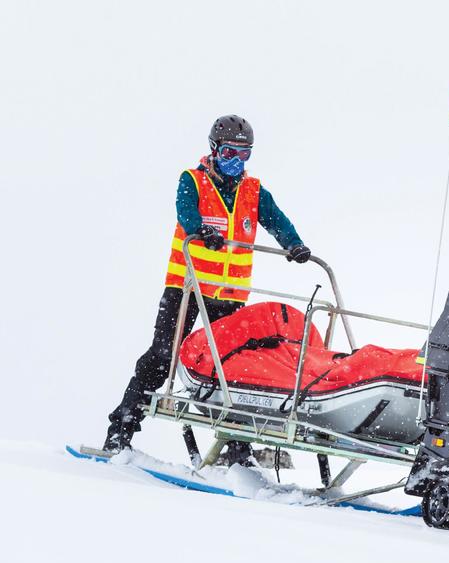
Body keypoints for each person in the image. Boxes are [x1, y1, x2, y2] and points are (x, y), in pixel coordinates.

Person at [103, 115, 313, 455]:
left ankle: (236, 448)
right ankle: (121, 428)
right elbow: (186, 214)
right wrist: (201, 230)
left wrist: (294, 244)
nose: (236, 162)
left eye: (244, 155)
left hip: (229, 297)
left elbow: (276, 220)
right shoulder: (193, 181)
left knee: (231, 368)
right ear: (214, 149)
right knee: (162, 355)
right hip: (187, 289)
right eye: (230, 153)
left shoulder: (253, 191)